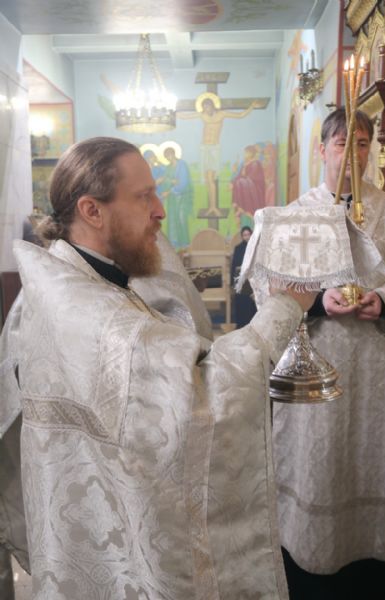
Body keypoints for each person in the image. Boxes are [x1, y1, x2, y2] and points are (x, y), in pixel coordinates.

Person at [0, 136, 316, 599]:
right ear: (92, 211)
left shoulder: (68, 281)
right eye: (144, 196)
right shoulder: (82, 309)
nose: (161, 210)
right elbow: (203, 392)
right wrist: (288, 305)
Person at [273, 108, 385, 599]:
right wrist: (315, 301)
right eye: (344, 142)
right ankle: (312, 569)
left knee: (376, 458)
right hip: (316, 360)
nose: (353, 153)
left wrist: (384, 299)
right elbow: (271, 288)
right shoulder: (295, 214)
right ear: (322, 149)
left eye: (363, 143)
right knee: (319, 465)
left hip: (379, 370)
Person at [178, 94, 257, 216]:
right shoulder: (202, 115)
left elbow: (240, 115)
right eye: (204, 107)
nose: (205, 110)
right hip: (204, 148)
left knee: (211, 178)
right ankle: (212, 207)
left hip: (214, 148)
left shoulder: (221, 114)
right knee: (207, 179)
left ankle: (214, 207)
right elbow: (185, 116)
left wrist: (251, 107)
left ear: (212, 105)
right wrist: (173, 112)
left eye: (207, 107)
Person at [161, 146, 193, 249]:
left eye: (168, 156)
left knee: (181, 218)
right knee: (172, 220)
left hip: (182, 197)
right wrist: (172, 181)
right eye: (166, 157)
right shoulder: (168, 167)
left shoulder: (182, 165)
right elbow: (166, 180)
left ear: (173, 154)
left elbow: (183, 183)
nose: (168, 159)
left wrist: (171, 188)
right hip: (172, 199)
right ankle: (174, 242)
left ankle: (184, 243)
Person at [231, 145, 266, 226]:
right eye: (245, 153)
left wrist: (239, 180)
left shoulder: (256, 163)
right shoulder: (244, 163)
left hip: (255, 189)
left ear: (251, 153)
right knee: (238, 182)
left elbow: (253, 178)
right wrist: (233, 180)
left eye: (246, 153)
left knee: (239, 182)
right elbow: (240, 176)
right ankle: (240, 207)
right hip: (247, 187)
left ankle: (245, 208)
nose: (245, 155)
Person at [230, 226, 257, 328]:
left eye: (248, 234)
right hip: (241, 281)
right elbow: (234, 266)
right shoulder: (238, 248)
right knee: (241, 301)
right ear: (242, 236)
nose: (247, 237)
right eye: (244, 235)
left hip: (252, 280)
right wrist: (233, 283)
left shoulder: (255, 247)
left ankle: (253, 325)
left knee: (252, 303)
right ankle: (241, 324)